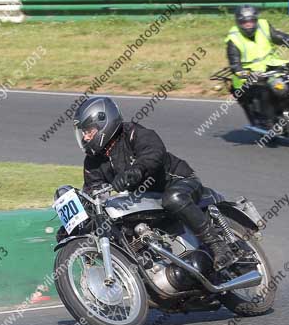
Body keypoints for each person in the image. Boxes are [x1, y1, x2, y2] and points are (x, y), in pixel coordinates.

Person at [73, 96, 238, 271]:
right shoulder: (93, 162)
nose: (85, 136)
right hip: (146, 199)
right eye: (83, 132)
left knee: (173, 199)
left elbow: (154, 152)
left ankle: (219, 246)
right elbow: (93, 191)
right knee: (120, 224)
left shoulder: (133, 133)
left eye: (88, 130)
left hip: (177, 181)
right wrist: (80, 219)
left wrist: (137, 170)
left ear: (104, 123)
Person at [225, 4, 289, 127]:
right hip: (246, 78)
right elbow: (235, 65)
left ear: (255, 20)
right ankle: (270, 122)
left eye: (251, 21)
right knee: (266, 89)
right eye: (245, 23)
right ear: (239, 23)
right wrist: (246, 74)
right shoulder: (234, 39)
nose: (249, 25)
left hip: (271, 66)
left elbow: (280, 37)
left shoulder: (263, 26)